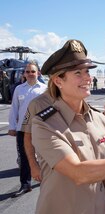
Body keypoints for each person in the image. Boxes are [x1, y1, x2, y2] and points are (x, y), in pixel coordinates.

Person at [31, 39, 105, 214]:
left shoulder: (99, 119)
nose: (87, 78)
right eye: (78, 73)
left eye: (87, 71)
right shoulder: (45, 124)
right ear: (58, 81)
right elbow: (78, 173)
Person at [22, 90, 105, 182]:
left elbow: (87, 123)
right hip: (53, 167)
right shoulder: (37, 103)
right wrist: (33, 165)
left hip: (83, 164)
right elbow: (28, 136)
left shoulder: (75, 97)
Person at [8, 60, 47, 198]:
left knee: (45, 156)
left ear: (38, 73)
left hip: (41, 128)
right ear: (24, 74)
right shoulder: (19, 89)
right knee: (23, 157)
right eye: (27, 72)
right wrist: (12, 127)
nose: (30, 74)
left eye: (33, 71)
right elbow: (14, 109)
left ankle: (48, 181)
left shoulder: (45, 89)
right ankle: (25, 184)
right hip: (23, 130)